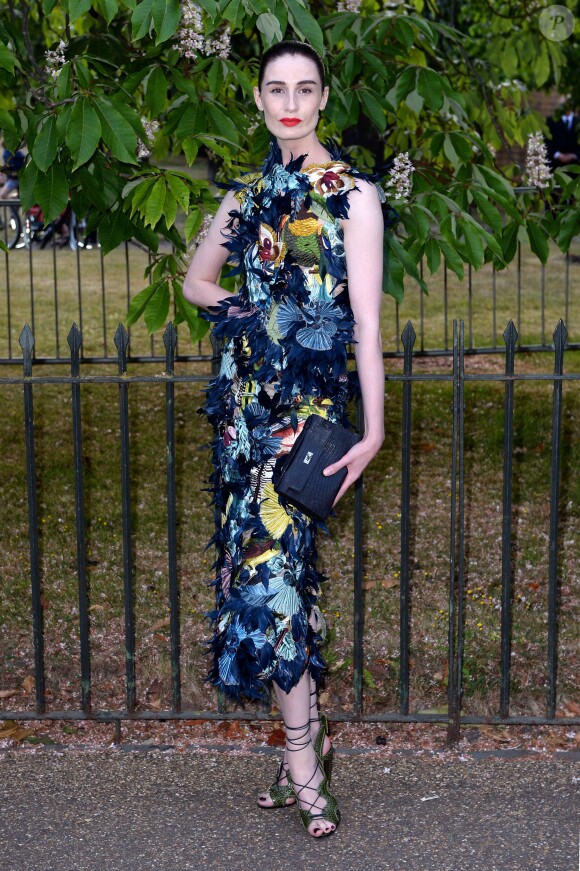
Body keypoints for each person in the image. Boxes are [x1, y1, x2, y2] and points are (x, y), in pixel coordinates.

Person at [183, 40, 391, 839]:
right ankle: (304, 750)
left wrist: (371, 432)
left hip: (305, 426)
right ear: (261, 100)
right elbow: (199, 282)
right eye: (277, 88)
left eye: (305, 87)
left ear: (325, 97)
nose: (291, 101)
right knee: (267, 586)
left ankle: (304, 759)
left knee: (274, 587)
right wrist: (254, 314)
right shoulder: (242, 197)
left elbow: (367, 327)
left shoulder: (353, 197)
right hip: (243, 420)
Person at [545, 98, 579, 170]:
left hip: (574, 167)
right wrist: (558, 155)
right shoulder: (550, 121)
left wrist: (574, 155)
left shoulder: (578, 122)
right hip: (554, 165)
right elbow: (546, 141)